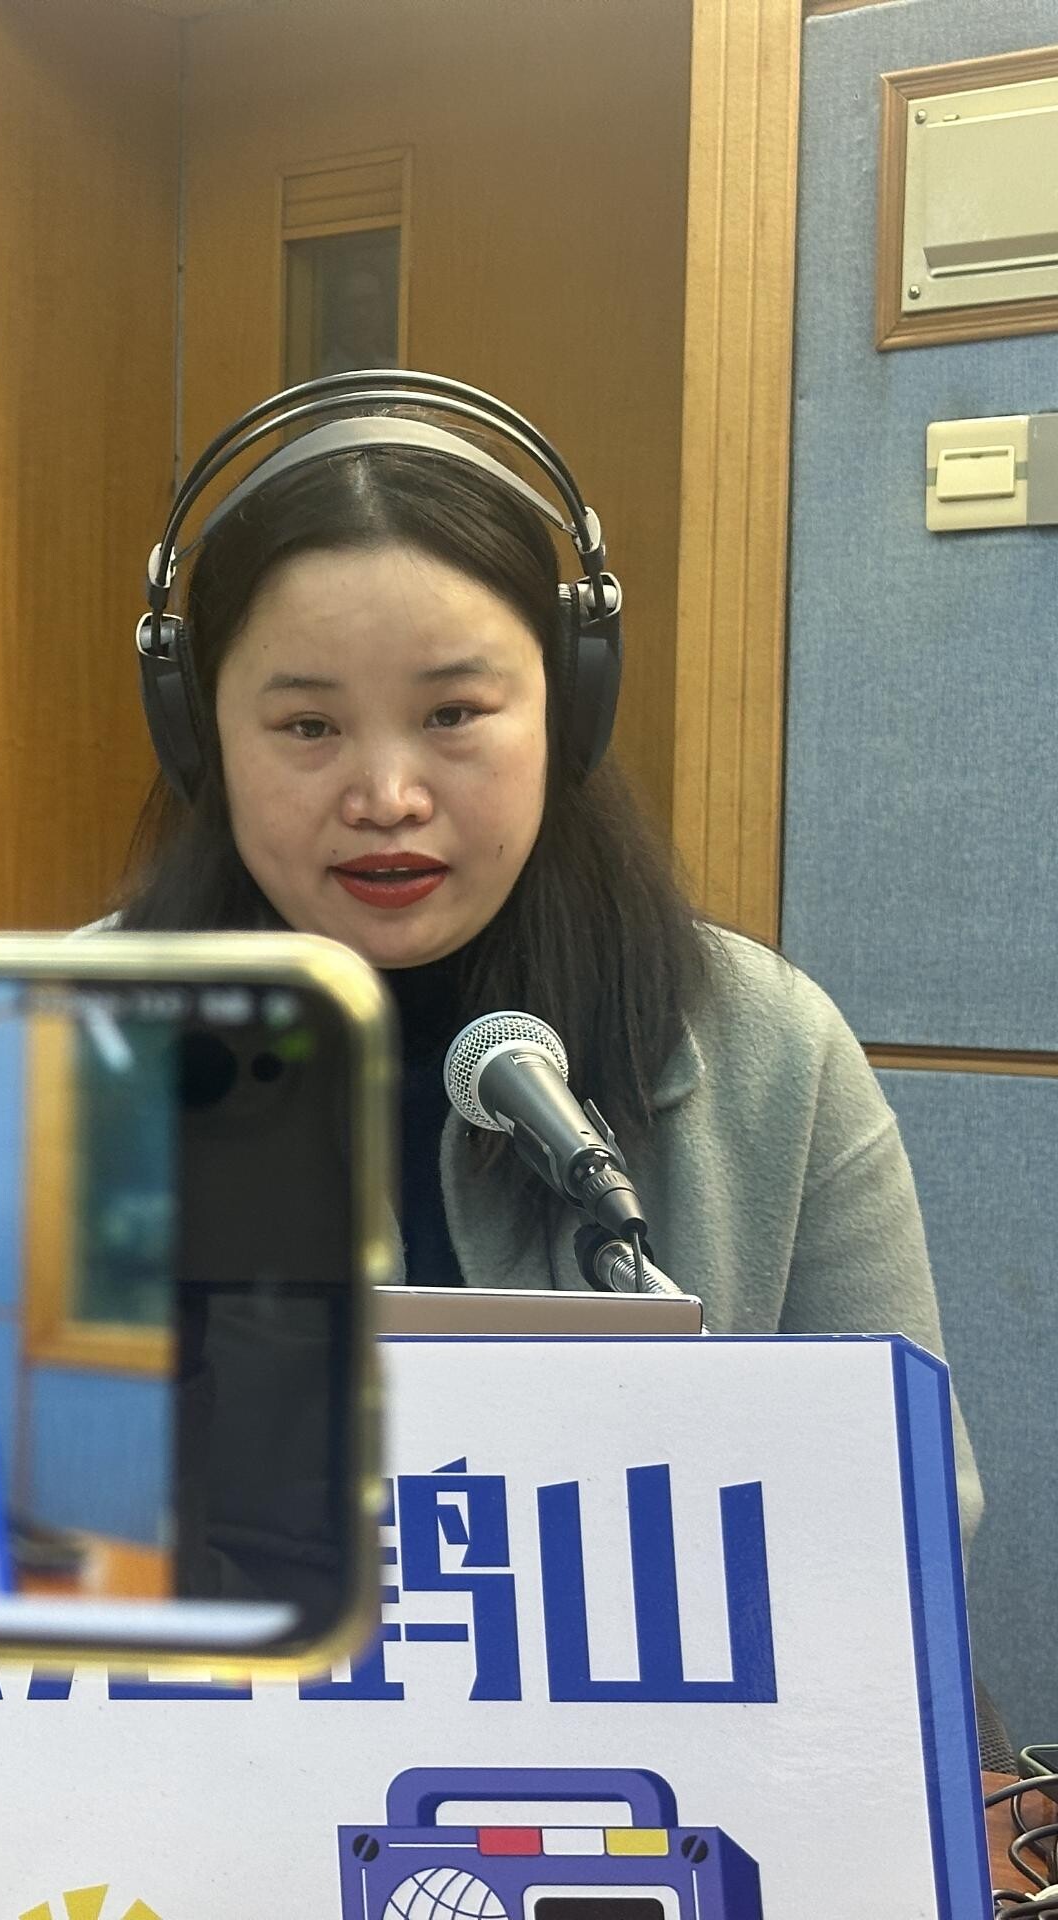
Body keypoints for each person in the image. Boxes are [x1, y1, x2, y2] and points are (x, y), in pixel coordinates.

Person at [112, 395, 983, 1534]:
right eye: (309, 728)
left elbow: (901, 1516)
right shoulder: (47, 1047)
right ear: (200, 738)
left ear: (570, 712)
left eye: (453, 713)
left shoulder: (771, 1051)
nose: (388, 798)